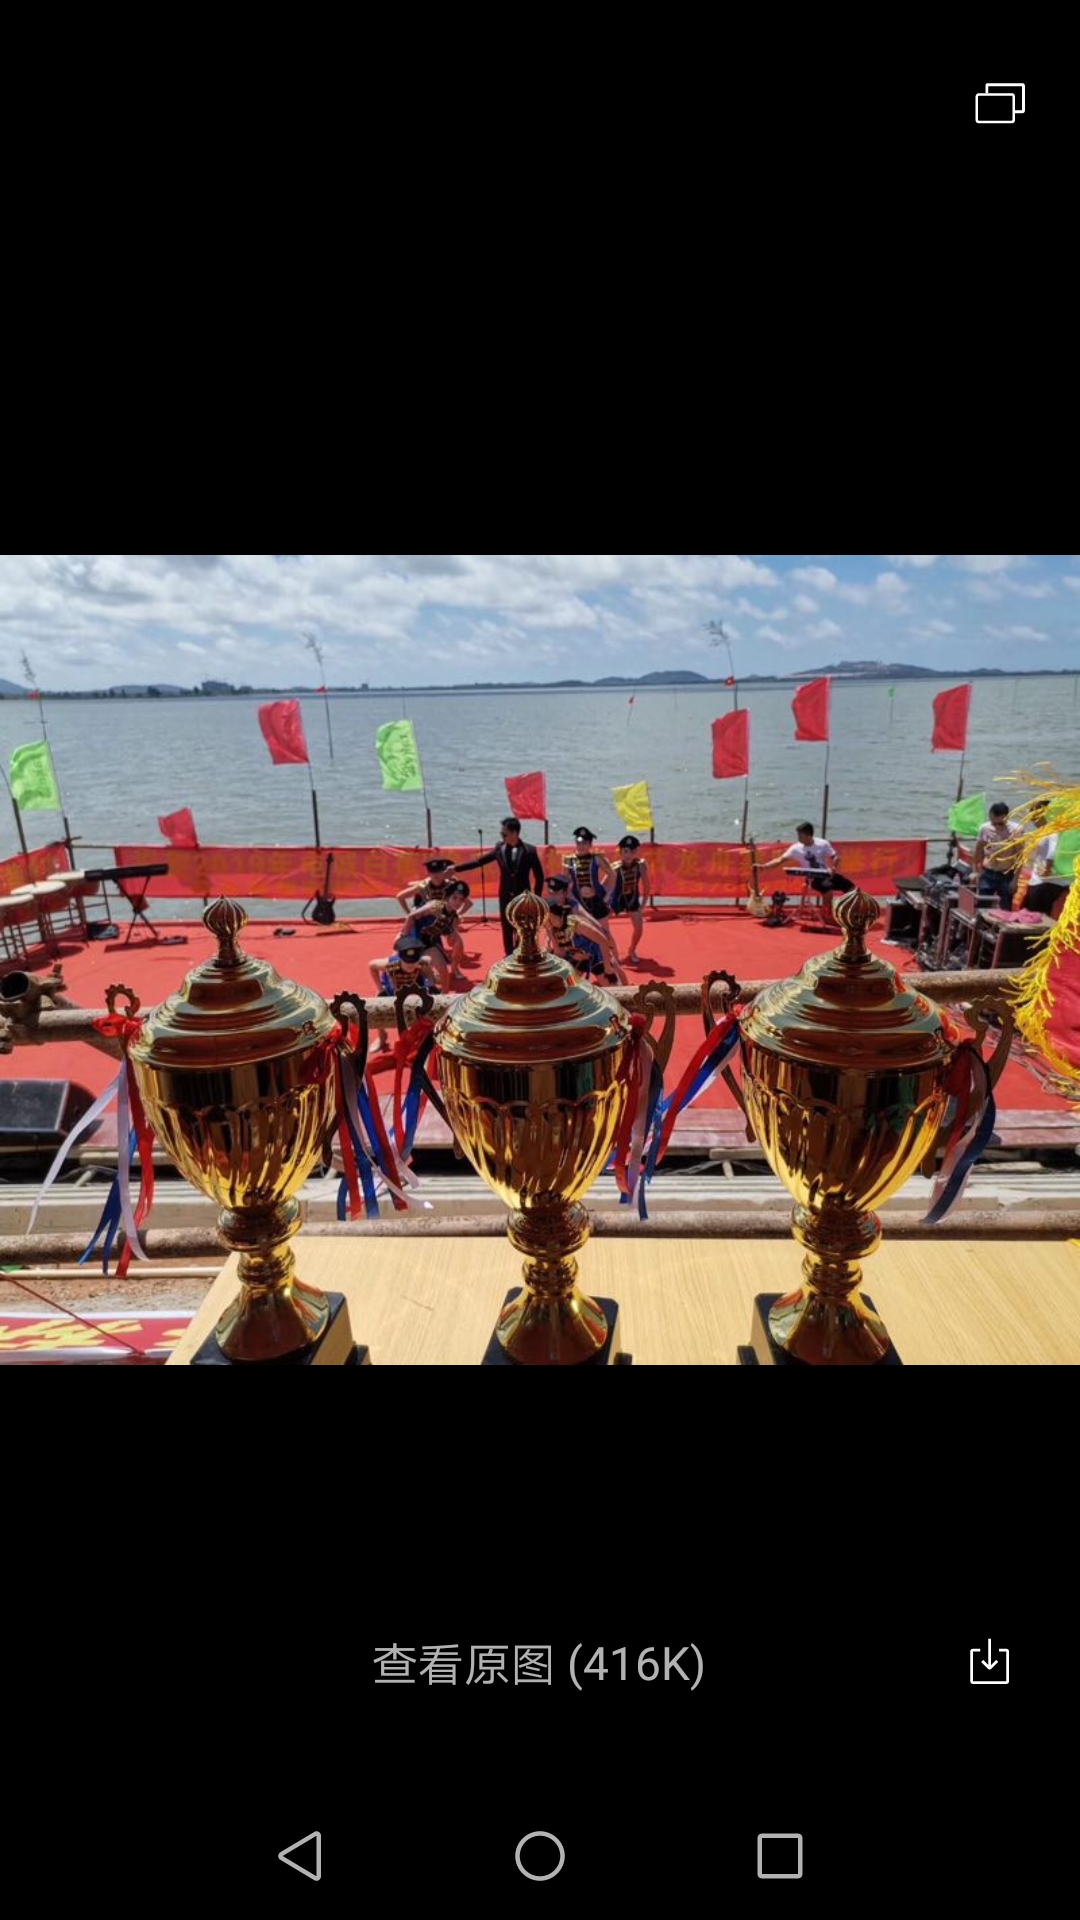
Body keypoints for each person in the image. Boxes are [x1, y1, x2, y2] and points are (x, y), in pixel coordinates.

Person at [451, 817, 545, 954]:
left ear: (514, 833)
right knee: (506, 927)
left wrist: (536, 899)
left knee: (523, 927)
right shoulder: (499, 848)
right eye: (501, 834)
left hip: (523, 897)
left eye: (504, 834)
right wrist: (456, 869)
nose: (502, 836)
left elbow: (539, 877)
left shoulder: (530, 851)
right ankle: (508, 954)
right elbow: (479, 862)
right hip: (505, 895)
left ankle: (521, 953)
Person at [542, 877, 626, 984]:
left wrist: (608, 963)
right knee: (567, 986)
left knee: (614, 981)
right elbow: (555, 945)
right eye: (550, 893)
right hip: (577, 957)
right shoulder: (550, 918)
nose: (553, 896)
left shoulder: (574, 911)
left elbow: (598, 930)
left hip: (594, 953)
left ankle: (625, 986)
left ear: (565, 892)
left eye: (556, 892)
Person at [368, 932, 441, 1052]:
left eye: (413, 962)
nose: (410, 965)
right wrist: (381, 989)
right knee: (377, 1004)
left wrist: (432, 984)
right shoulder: (390, 964)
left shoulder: (422, 962)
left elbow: (428, 970)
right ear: (400, 958)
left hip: (413, 987)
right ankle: (381, 1036)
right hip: (393, 988)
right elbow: (371, 965)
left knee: (430, 1003)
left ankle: (426, 1035)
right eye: (407, 962)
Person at [403, 880, 472, 987]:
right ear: (447, 897)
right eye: (454, 898)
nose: (458, 902)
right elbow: (411, 917)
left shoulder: (453, 917)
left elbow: (449, 936)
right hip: (413, 938)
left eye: (461, 900)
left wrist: (453, 934)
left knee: (444, 972)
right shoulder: (435, 906)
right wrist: (404, 939)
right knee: (407, 972)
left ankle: (453, 969)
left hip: (430, 941)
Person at [758, 822, 855, 895]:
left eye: (800, 835)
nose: (798, 837)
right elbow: (779, 860)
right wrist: (764, 866)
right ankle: (827, 912)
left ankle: (847, 910)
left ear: (809, 835)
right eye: (798, 835)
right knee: (827, 888)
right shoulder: (795, 848)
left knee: (851, 887)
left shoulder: (823, 843)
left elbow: (835, 857)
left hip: (826, 874)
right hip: (812, 878)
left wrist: (833, 867)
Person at [607, 834, 651, 964]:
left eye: (632, 851)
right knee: (601, 925)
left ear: (636, 852)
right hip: (616, 900)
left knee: (639, 928)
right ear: (620, 852)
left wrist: (643, 904)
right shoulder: (615, 867)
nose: (629, 855)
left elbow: (647, 886)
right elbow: (605, 886)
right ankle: (610, 951)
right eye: (625, 851)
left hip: (632, 900)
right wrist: (603, 902)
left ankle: (632, 949)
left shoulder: (641, 865)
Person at [972, 801, 1024, 908]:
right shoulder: (984, 828)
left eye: (1000, 824)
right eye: (993, 823)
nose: (997, 827)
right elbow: (978, 850)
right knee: (982, 906)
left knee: (1005, 907)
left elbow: (1020, 856)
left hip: (1006, 874)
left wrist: (1015, 880)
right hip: (988, 872)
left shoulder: (1016, 830)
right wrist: (976, 871)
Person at [564, 827, 616, 919]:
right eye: (578, 843)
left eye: (584, 843)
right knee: (581, 927)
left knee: (602, 927)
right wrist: (570, 899)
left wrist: (607, 896)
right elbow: (564, 883)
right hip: (578, 902)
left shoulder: (597, 858)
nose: (581, 846)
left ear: (590, 844)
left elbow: (613, 875)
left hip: (598, 900)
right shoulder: (568, 860)